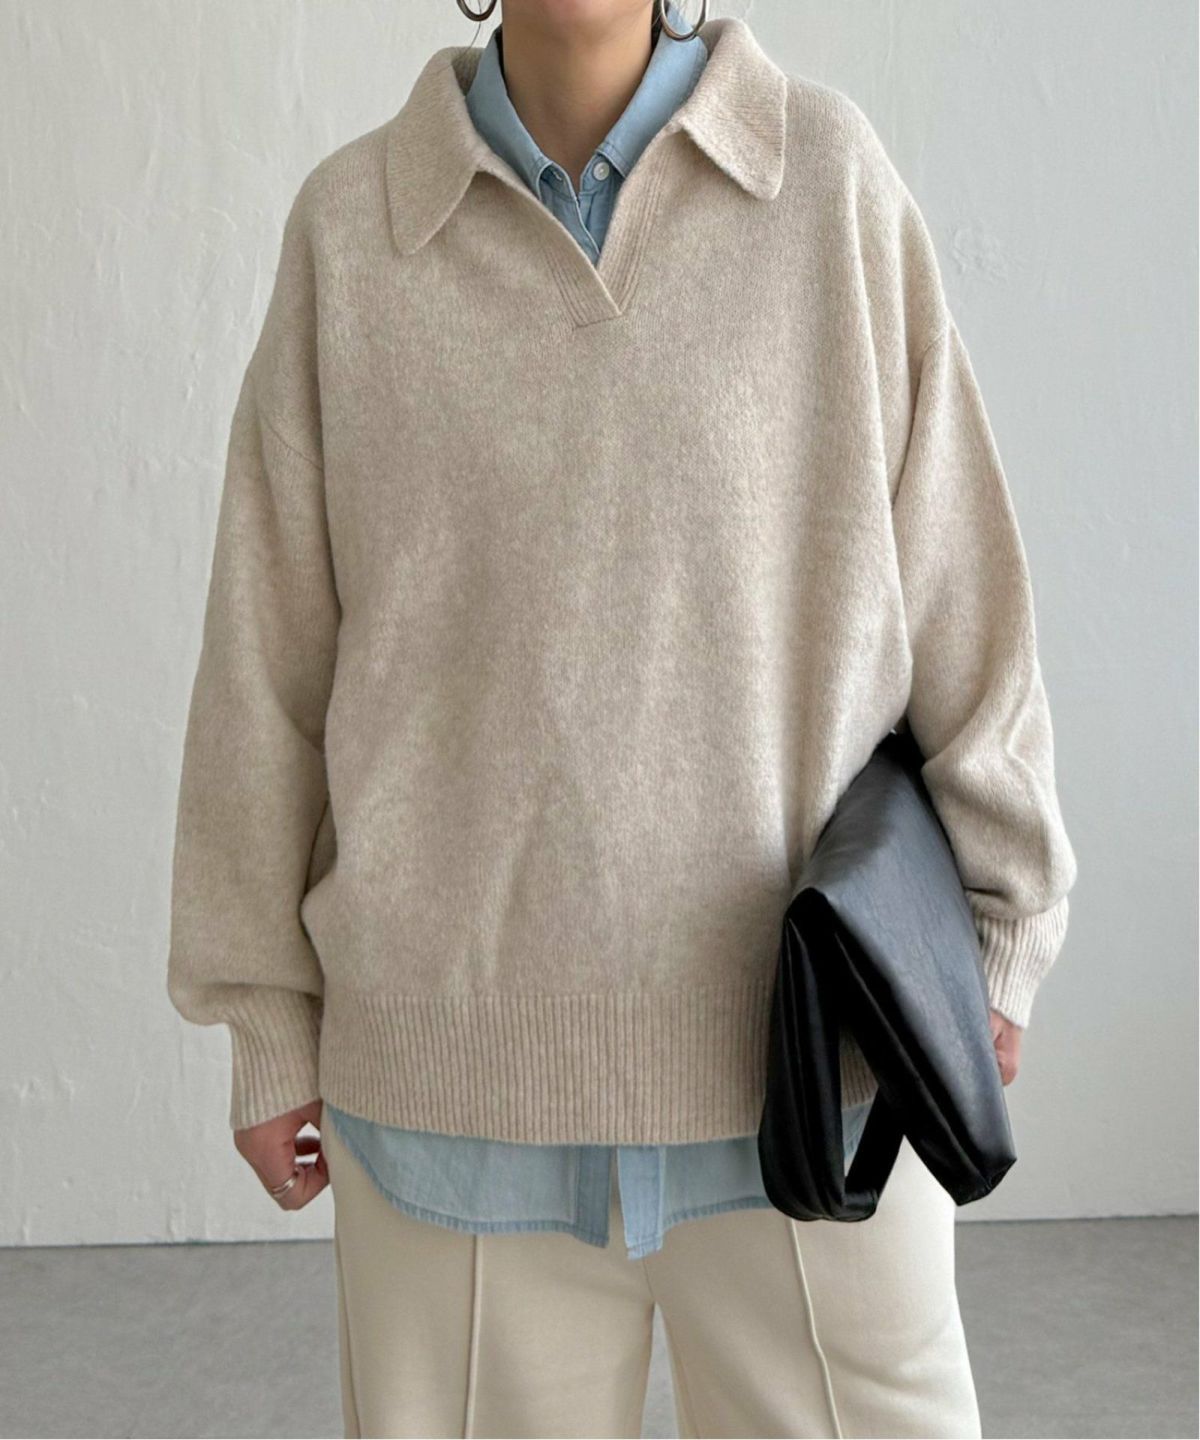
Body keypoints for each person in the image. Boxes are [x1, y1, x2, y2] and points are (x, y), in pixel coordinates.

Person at [166, 2, 1078, 1436]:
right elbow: (265, 663)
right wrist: (262, 1015)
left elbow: (963, 581)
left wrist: (1006, 922)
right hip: (452, 1100)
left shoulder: (823, 181)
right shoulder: (354, 232)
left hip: (811, 1074)